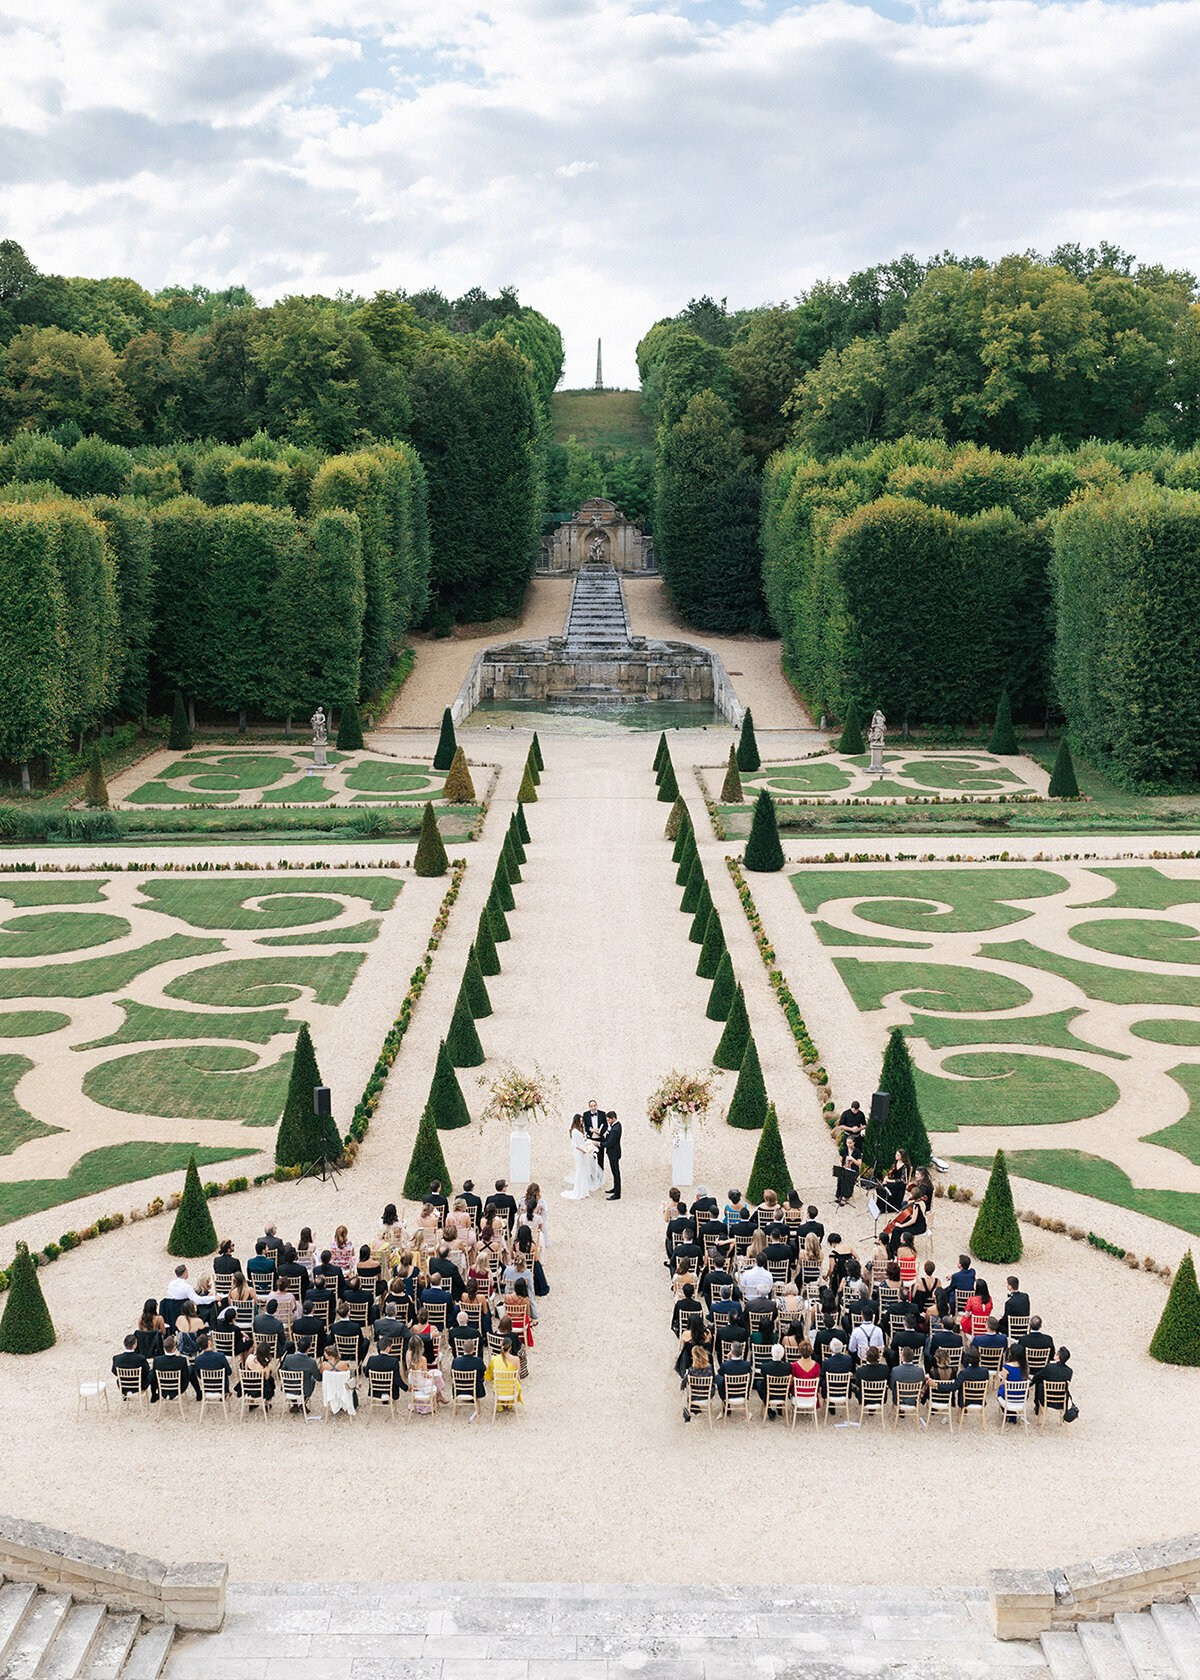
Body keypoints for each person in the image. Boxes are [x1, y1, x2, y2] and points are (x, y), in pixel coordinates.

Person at [563, 1114, 604, 1200]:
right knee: (580, 1171)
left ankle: (584, 1191)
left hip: (584, 1151)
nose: (581, 1122)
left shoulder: (581, 1129)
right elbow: (574, 1144)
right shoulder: (574, 1131)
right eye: (580, 1121)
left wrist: (590, 1145)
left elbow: (584, 1140)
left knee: (585, 1171)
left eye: (582, 1121)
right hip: (579, 1153)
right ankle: (579, 1191)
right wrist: (583, 1150)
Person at [112, 1333, 156, 1401]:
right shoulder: (140, 1358)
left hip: (124, 1385)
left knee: (118, 1379)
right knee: (152, 1372)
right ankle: (154, 1395)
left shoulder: (117, 1358)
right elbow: (146, 1372)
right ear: (135, 1345)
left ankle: (125, 1394)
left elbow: (114, 1372)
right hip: (139, 1385)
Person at [280, 1338, 321, 1405]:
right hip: (304, 1389)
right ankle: (303, 1403)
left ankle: (294, 1404)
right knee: (312, 1380)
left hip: (289, 1387)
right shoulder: (311, 1362)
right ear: (309, 1348)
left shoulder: (288, 1358)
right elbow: (318, 1377)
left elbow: (282, 1371)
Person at [1035, 1348, 1074, 1415]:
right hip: (1061, 1400)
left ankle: (1037, 1406)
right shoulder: (1069, 1371)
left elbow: (1038, 1376)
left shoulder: (1050, 1367)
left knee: (1039, 1383)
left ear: (1058, 1356)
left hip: (1047, 1398)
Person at [604, 1111, 623, 1200]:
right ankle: (615, 1188)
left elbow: (610, 1143)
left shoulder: (615, 1129)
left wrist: (599, 1144)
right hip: (613, 1152)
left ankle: (617, 1194)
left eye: (609, 1120)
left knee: (616, 1172)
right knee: (614, 1172)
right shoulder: (615, 1126)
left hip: (614, 1153)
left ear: (614, 1118)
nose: (608, 1122)